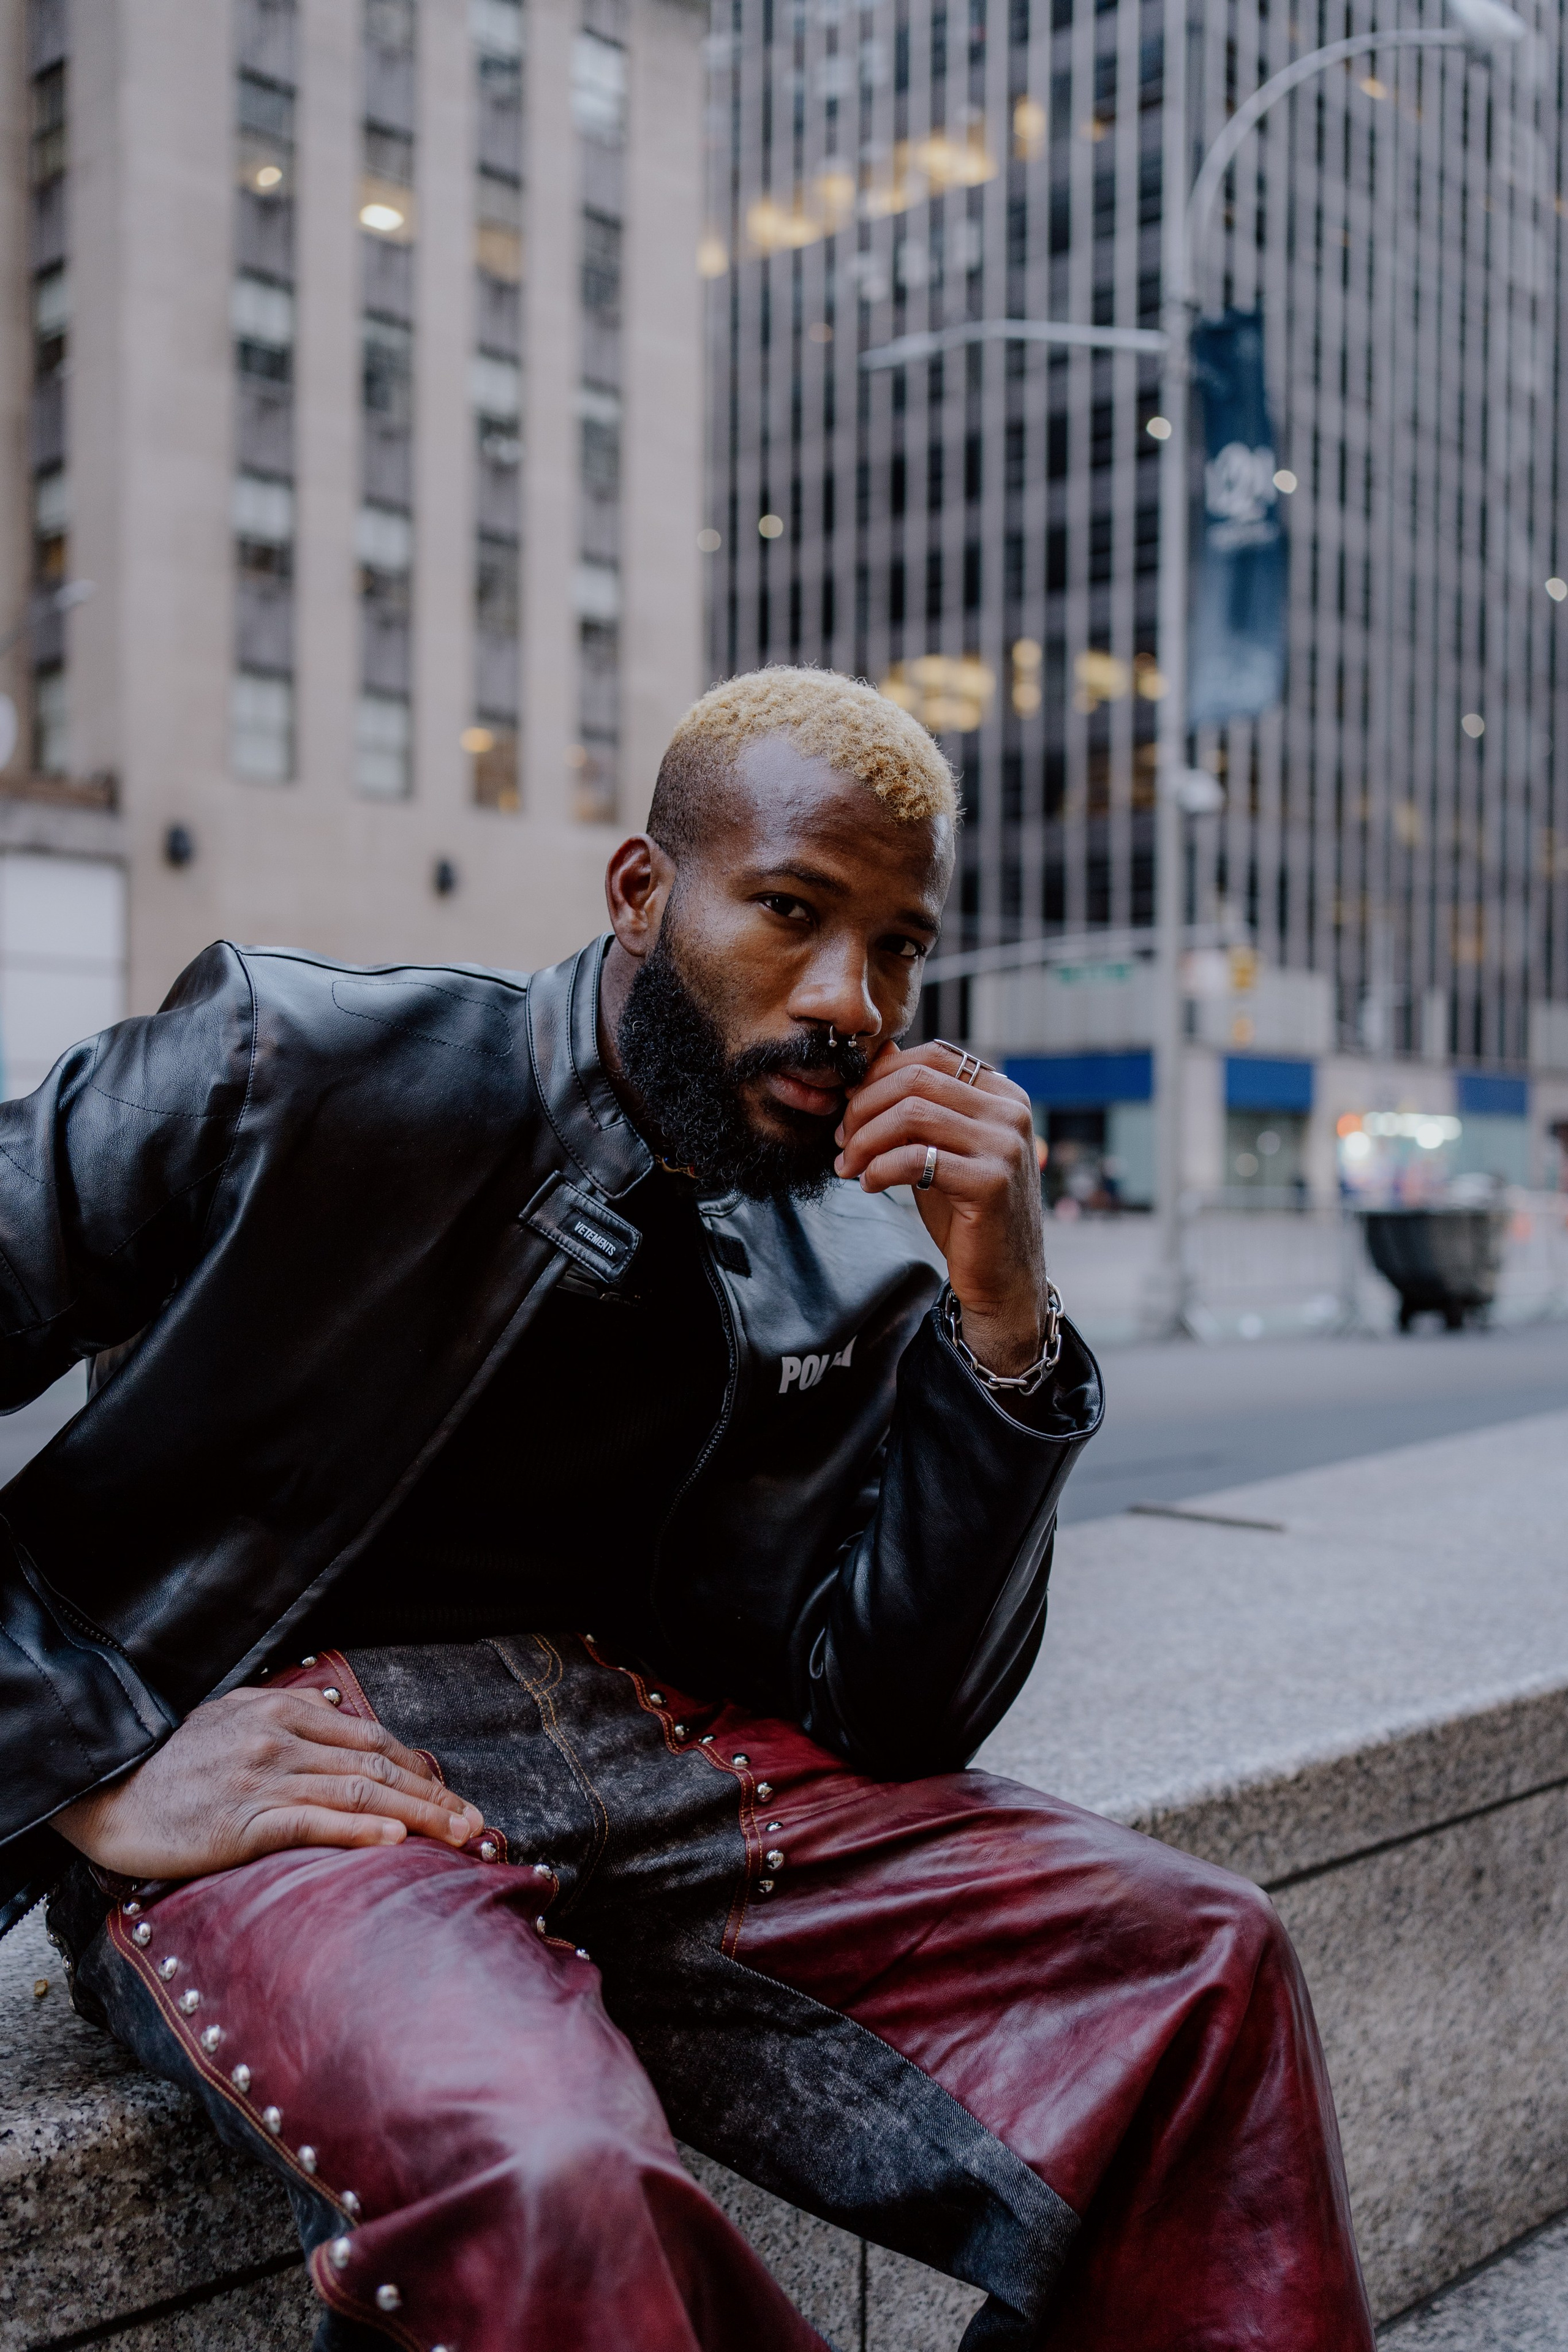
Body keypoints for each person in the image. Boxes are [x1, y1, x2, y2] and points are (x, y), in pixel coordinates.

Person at [1, 669, 1372, 2351]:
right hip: (307, 1792)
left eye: (896, 948)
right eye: (791, 911)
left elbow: (898, 1706)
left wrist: (1003, 1340)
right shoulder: (290, 1061)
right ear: (644, 891)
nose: (848, 999)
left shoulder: (844, 1255)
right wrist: (92, 1759)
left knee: (1204, 1970)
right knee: (548, 2177)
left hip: (663, 1770)